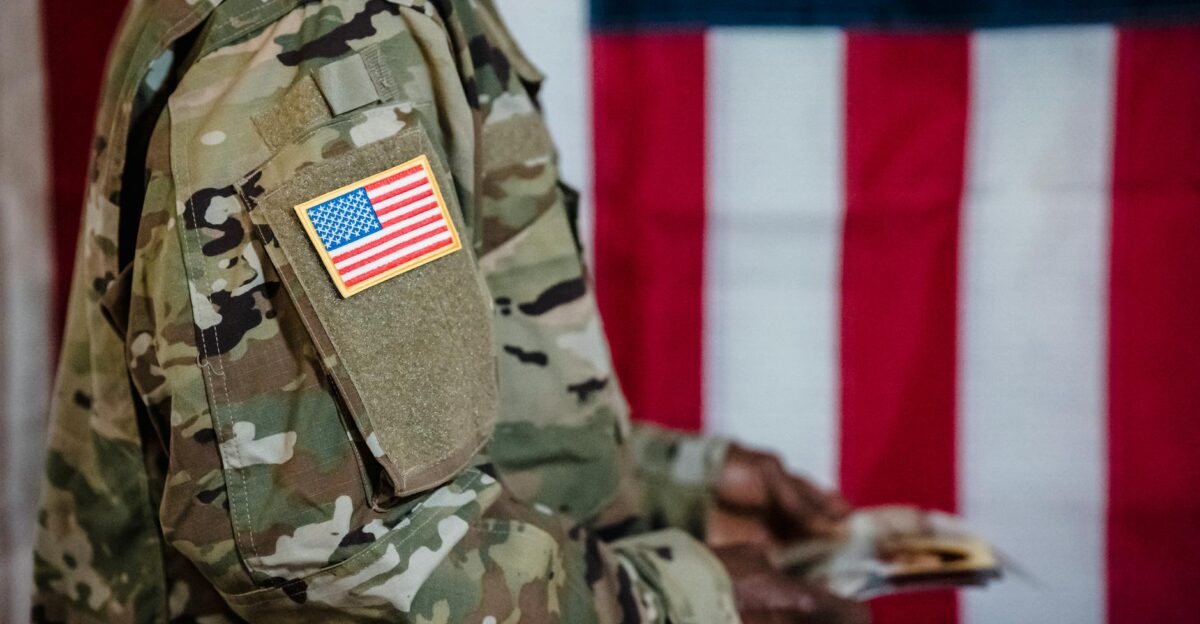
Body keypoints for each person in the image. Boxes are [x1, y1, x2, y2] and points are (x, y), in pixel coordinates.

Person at [33, 1, 868, 622]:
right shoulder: (322, 50)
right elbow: (331, 540)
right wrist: (688, 599)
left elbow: (407, 409)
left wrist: (668, 486)